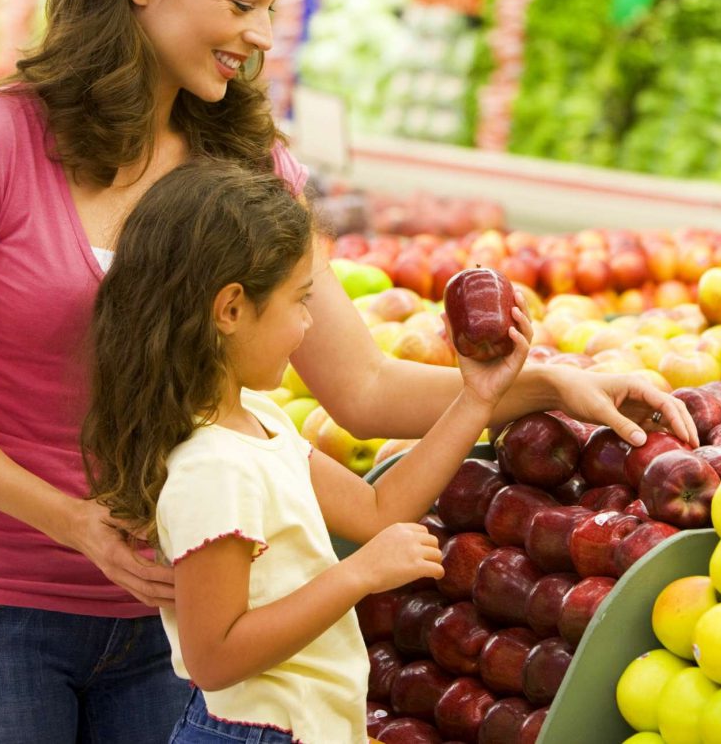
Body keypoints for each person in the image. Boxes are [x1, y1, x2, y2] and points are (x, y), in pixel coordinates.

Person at [0, 0, 695, 742]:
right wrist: (76, 525)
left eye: (272, 5)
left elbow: (362, 391)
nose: (265, 34)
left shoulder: (252, 173)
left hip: (189, 626)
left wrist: (552, 381)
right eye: (242, 3)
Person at [81, 158, 534, 742]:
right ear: (231, 310)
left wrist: (476, 400)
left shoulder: (260, 424)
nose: (306, 326)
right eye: (299, 302)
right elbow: (214, 657)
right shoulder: (213, 468)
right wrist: (357, 576)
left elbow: (378, 510)